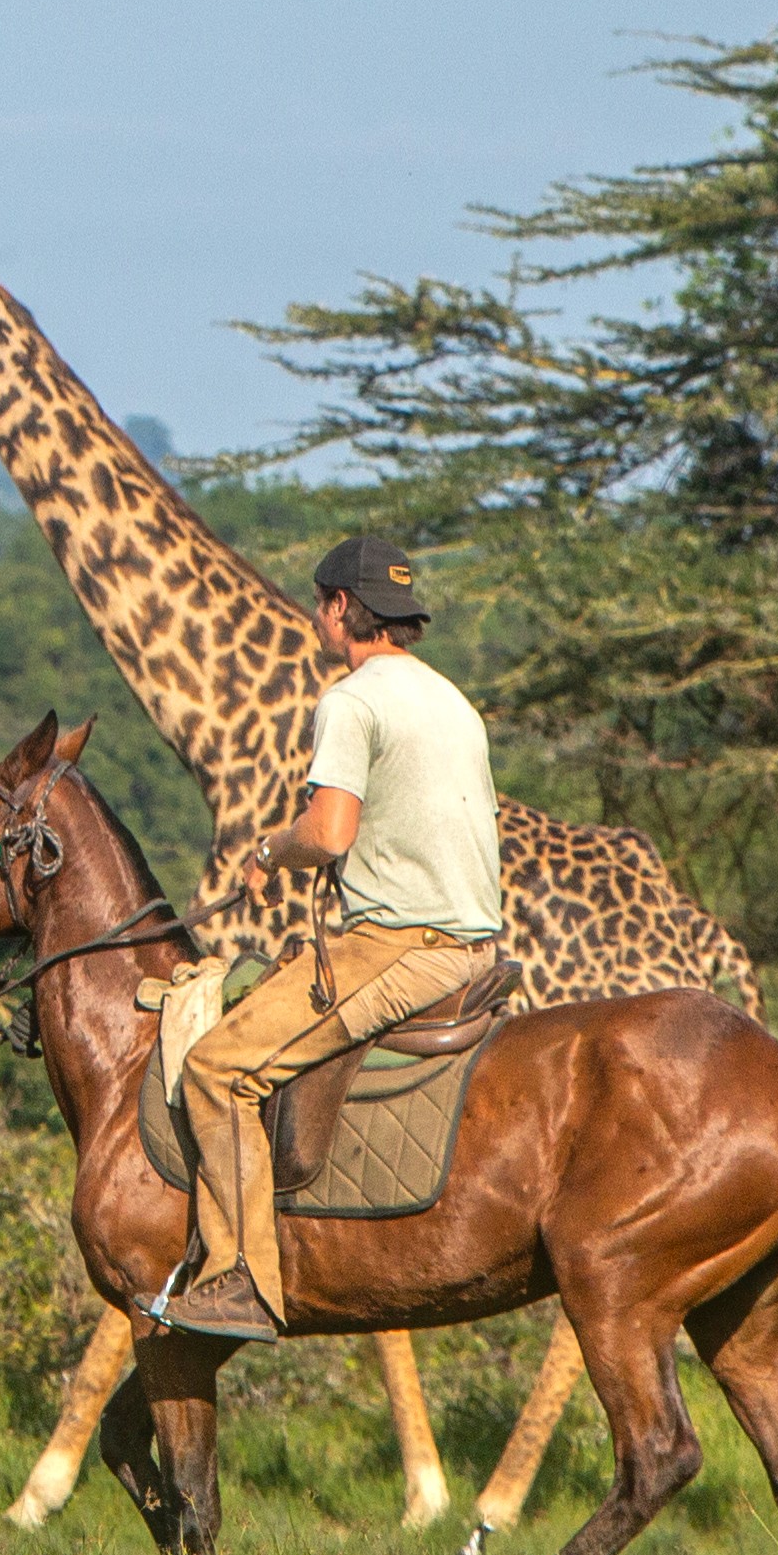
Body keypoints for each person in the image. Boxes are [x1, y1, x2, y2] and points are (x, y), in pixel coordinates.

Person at [149, 535, 508, 1342]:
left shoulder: (351, 700)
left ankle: (238, 1280)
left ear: (341, 608)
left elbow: (332, 829)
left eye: (319, 603)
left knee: (215, 1068)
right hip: (477, 945)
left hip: (400, 948)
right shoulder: (451, 700)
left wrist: (272, 849)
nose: (317, 617)